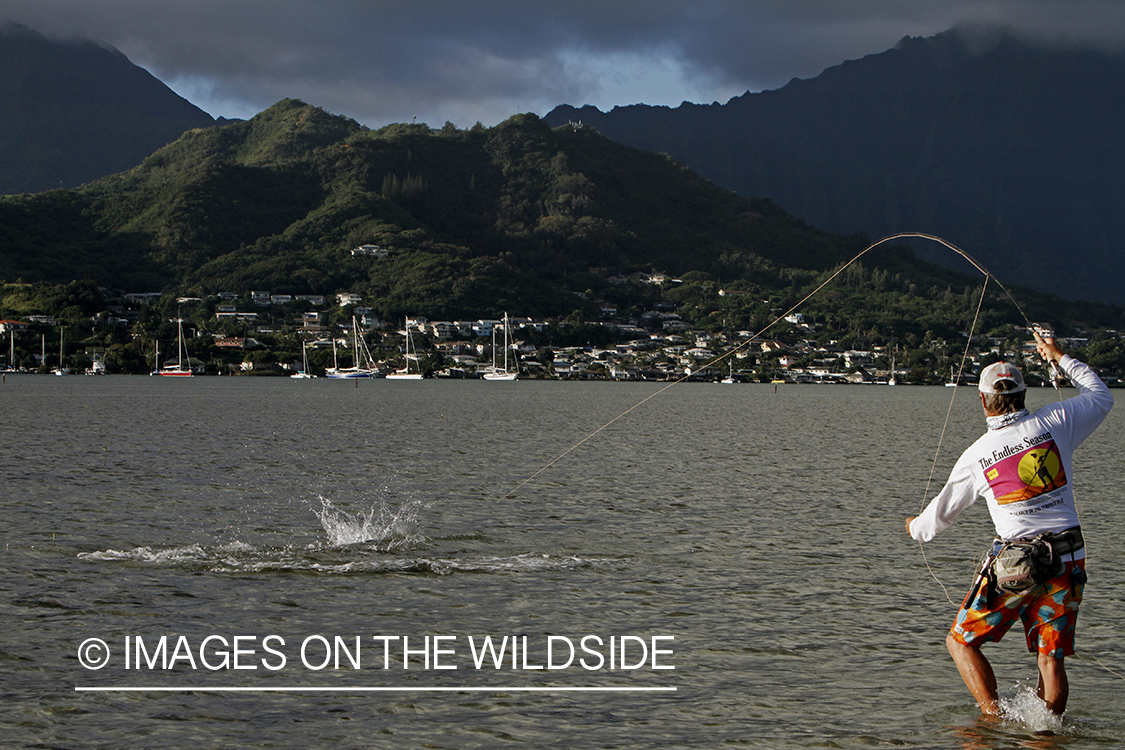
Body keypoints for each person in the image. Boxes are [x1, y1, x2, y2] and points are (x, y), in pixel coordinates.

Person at [906, 336, 1113, 716]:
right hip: (1069, 557)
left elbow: (936, 521)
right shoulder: (1056, 420)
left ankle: (992, 721)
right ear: (1023, 393)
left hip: (1016, 564)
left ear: (984, 401)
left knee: (960, 643)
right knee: (1050, 660)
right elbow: (1102, 396)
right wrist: (1059, 357)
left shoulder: (976, 455)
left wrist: (913, 528)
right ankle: (1047, 738)